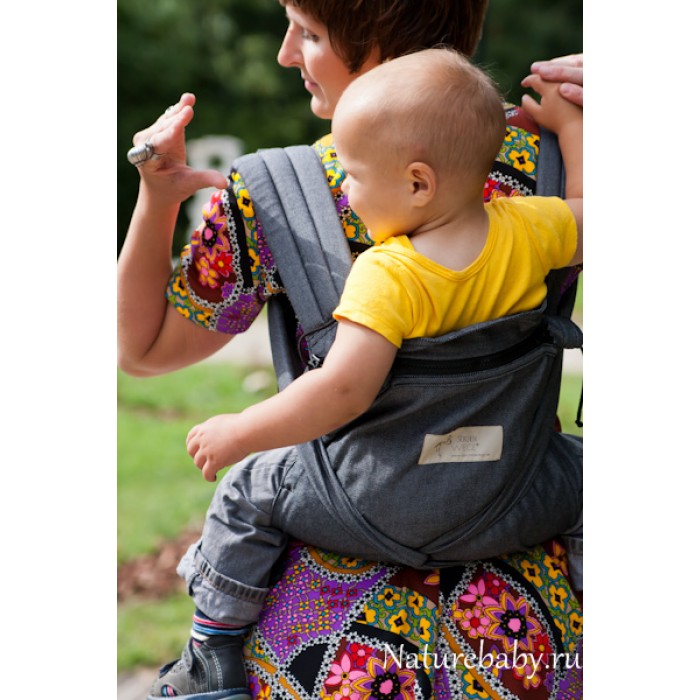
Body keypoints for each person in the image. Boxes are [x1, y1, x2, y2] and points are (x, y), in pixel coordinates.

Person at [117, 2, 584, 699]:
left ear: (377, 31)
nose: (285, 53)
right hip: (526, 640)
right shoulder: (546, 170)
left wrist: (157, 197)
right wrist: (578, 126)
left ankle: (210, 652)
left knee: (254, 486)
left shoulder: (277, 193)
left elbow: (144, 348)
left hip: (338, 655)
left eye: (308, 31)